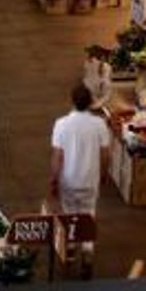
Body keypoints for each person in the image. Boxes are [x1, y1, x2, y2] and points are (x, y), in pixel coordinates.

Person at [50, 84, 111, 215]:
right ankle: (86, 235)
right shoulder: (100, 124)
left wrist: (54, 180)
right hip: (90, 181)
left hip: (68, 182)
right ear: (90, 102)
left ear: (72, 101)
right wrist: (104, 174)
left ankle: (71, 234)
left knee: (68, 215)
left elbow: (57, 156)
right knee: (88, 216)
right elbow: (105, 155)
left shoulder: (61, 124)